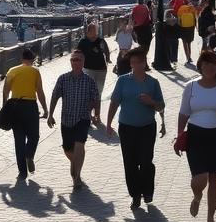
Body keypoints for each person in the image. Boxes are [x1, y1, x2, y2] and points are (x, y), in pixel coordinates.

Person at [176, 49, 216, 222]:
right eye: (206, 63)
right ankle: (197, 196)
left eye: (213, 64)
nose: (210, 67)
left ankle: (211, 217)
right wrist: (179, 135)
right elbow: (183, 113)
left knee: (215, 178)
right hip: (196, 135)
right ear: (200, 66)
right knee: (200, 178)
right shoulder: (191, 87)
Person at [105, 47, 165, 211]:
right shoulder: (123, 81)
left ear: (144, 63)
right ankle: (135, 195)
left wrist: (151, 102)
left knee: (146, 162)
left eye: (138, 62)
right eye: (132, 63)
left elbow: (161, 106)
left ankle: (148, 191)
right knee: (130, 163)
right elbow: (114, 102)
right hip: (127, 128)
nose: (135, 65)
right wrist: (108, 124)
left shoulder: (153, 82)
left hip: (147, 127)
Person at [48, 49, 99, 190]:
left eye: (79, 59)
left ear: (83, 62)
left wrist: (96, 114)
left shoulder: (89, 81)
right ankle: (74, 162)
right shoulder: (63, 79)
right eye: (73, 59)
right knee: (68, 149)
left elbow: (96, 98)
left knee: (79, 145)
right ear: (70, 62)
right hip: (66, 119)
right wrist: (50, 114)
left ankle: (77, 178)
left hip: (83, 118)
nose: (76, 62)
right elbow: (55, 96)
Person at [2, 48, 48, 180]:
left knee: (19, 140)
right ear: (32, 60)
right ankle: (29, 155)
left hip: (15, 107)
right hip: (30, 106)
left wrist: (5, 108)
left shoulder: (12, 71)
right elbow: (40, 92)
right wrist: (45, 109)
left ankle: (22, 172)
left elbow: (5, 91)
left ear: (21, 59)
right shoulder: (35, 71)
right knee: (34, 136)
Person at [76, 22, 111, 121]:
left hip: (101, 70)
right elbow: (78, 54)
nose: (96, 32)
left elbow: (106, 51)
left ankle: (97, 115)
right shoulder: (83, 41)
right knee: (88, 93)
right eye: (94, 30)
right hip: (87, 69)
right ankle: (88, 114)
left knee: (98, 93)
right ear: (88, 31)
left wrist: (108, 59)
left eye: (96, 30)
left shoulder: (101, 41)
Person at [176, 0, 198, 66]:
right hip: (191, 27)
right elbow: (195, 18)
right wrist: (195, 27)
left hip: (183, 27)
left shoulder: (180, 9)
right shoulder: (192, 8)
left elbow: (179, 20)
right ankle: (189, 57)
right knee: (189, 43)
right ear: (188, 2)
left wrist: (179, 27)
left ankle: (187, 58)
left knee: (185, 43)